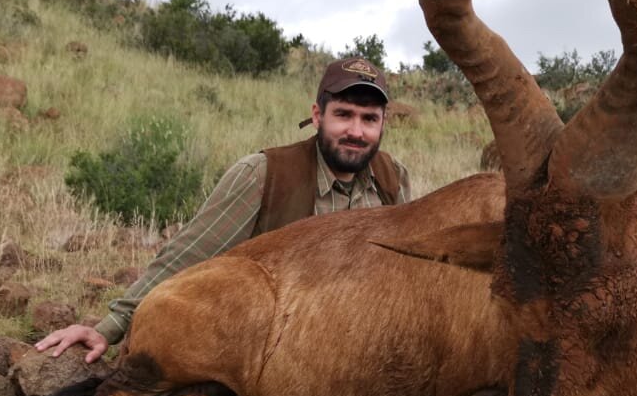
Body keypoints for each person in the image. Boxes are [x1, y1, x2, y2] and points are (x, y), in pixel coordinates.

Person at [35, 56, 412, 363]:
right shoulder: (263, 175)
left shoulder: (393, 179)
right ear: (317, 116)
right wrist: (107, 328)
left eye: (369, 119)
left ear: (383, 123)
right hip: (276, 347)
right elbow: (187, 256)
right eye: (343, 115)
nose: (356, 132)